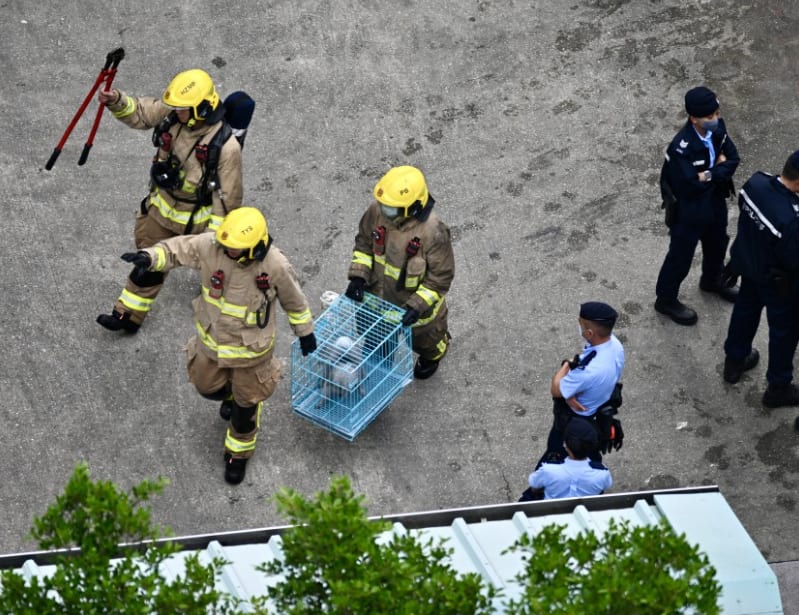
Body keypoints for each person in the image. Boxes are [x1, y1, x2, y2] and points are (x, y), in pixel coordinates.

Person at [119, 207, 316, 484]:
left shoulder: (276, 266)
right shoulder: (215, 246)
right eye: (224, 245)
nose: (226, 251)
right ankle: (231, 396)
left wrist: (305, 333)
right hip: (212, 345)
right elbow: (177, 249)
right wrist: (150, 257)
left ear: (253, 248)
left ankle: (238, 454)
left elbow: (295, 303)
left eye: (233, 249)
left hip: (251, 354)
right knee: (205, 386)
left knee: (245, 411)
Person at [96, 68, 244, 334]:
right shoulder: (176, 113)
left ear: (201, 107)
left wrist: (216, 241)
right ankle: (127, 316)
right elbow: (141, 112)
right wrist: (115, 100)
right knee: (147, 265)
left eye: (183, 109)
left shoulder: (226, 148)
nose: (176, 112)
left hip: (195, 224)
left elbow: (228, 199)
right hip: (160, 213)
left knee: (217, 270)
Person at [345, 166, 454, 379]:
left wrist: (417, 306)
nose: (384, 210)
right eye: (384, 205)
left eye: (392, 208)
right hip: (377, 299)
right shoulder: (377, 211)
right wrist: (359, 276)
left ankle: (433, 355)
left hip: (414, 309)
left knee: (427, 340)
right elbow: (364, 245)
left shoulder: (433, 232)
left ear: (412, 208)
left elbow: (440, 278)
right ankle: (380, 360)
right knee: (376, 338)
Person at [655, 86, 740, 326]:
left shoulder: (718, 129)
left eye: (716, 113)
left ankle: (712, 280)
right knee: (680, 257)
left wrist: (708, 174)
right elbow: (689, 185)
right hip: (689, 211)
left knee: (717, 243)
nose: (715, 119)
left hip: (714, 201)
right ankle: (665, 299)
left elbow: (733, 158)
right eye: (709, 117)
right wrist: (717, 171)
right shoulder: (681, 147)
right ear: (694, 118)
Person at [722, 151, 799, 408]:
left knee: (744, 312)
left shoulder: (756, 184)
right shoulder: (791, 220)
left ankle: (734, 361)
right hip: (779, 285)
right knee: (783, 333)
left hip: (749, 268)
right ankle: (778, 386)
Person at [540, 302, 625, 467]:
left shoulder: (587, 372)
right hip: (599, 403)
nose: (579, 327)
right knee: (589, 452)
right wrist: (571, 392)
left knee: (555, 454)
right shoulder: (615, 345)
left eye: (581, 324)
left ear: (590, 332)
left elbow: (556, 390)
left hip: (575, 418)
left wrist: (566, 365)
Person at [519, 418, 612, 501]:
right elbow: (606, 485)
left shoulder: (548, 470)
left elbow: (534, 485)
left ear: (565, 446)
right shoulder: (602, 473)